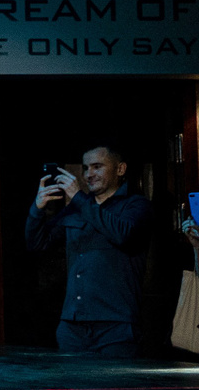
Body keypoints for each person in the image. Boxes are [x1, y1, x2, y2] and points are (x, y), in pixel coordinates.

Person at [26, 147, 152, 356]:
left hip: (116, 326)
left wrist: (78, 198)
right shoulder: (76, 209)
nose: (89, 174)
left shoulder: (136, 205)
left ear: (120, 169)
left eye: (97, 167)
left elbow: (123, 234)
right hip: (73, 325)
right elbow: (38, 243)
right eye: (86, 168)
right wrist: (37, 209)